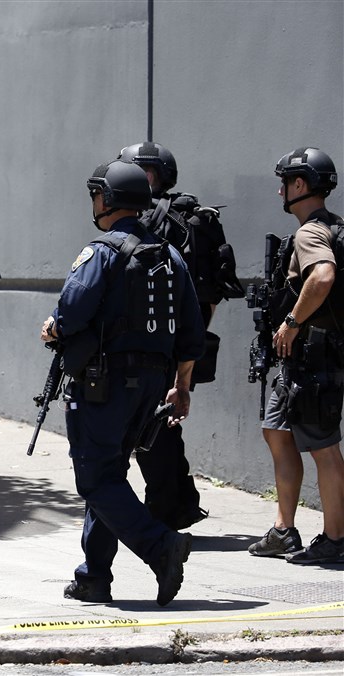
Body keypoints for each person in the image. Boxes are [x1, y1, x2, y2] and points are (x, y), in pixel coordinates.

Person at [40, 159, 205, 605]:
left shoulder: (103, 251)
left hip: (103, 383)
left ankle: (160, 546)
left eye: (97, 193)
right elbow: (192, 334)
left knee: (96, 480)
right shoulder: (171, 257)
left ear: (108, 199)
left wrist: (53, 327)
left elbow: (72, 310)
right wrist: (182, 387)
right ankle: (94, 576)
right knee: (111, 472)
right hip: (152, 385)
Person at [118, 142, 245, 531]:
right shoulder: (179, 220)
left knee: (146, 427)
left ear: (160, 175)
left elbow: (203, 292)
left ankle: (167, 510)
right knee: (162, 426)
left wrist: (181, 366)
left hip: (158, 344)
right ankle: (179, 504)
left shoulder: (169, 222)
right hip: (173, 341)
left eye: (144, 172)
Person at [249, 147, 344, 564]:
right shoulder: (332, 227)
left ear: (300, 185)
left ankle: (336, 539)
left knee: (324, 449)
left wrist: (291, 321)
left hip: (313, 360)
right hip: (304, 362)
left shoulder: (310, 234)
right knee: (277, 430)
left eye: (285, 182)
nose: (280, 190)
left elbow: (323, 277)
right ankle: (284, 530)